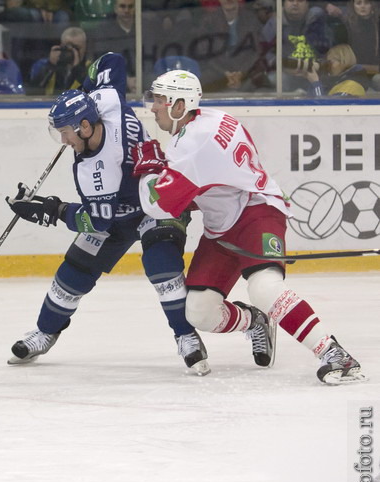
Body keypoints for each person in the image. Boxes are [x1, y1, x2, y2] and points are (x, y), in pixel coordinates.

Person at [133, 69, 366, 385]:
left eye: (160, 100)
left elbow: (155, 205)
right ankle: (255, 321)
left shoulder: (192, 148)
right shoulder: (213, 117)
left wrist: (148, 173)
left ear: (178, 105)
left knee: (264, 287)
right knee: (199, 312)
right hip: (222, 226)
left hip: (257, 212)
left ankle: (333, 352)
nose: (153, 107)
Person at [6, 53, 209, 375]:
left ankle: (186, 336)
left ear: (85, 126)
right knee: (74, 271)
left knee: (161, 266)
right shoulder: (107, 100)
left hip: (156, 203)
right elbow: (111, 61)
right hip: (116, 210)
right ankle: (45, 331)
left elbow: (95, 220)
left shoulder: (97, 170)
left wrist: (53, 210)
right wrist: (85, 91)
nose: (63, 140)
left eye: (67, 132)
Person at [28, 26, 91, 95]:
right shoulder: (43, 65)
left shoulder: (92, 68)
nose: (72, 51)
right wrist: (50, 66)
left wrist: (76, 69)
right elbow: (31, 93)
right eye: (67, 47)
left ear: (85, 48)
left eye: (76, 48)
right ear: (61, 45)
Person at [300, 42, 371, 95]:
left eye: (331, 61)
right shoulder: (337, 81)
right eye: (327, 62)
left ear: (344, 61)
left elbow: (323, 108)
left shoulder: (351, 86)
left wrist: (315, 82)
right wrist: (312, 80)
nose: (329, 65)